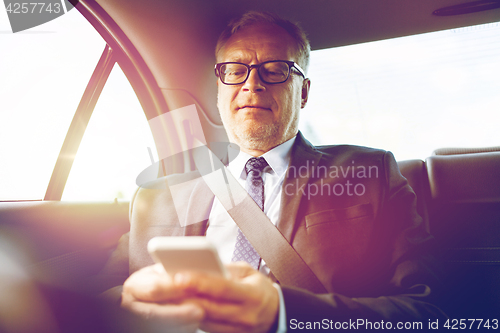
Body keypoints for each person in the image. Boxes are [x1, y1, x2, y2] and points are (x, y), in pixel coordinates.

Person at [102, 11, 446, 333]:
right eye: (236, 70)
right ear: (220, 88)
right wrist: (128, 306)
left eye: (275, 69)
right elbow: (97, 298)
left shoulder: (371, 175)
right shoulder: (154, 197)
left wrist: (282, 312)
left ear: (304, 92)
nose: (252, 84)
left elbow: (428, 311)